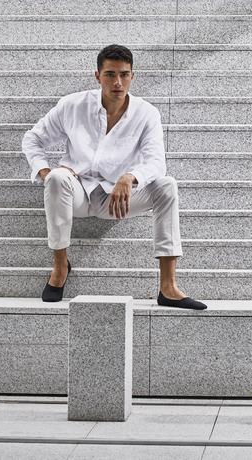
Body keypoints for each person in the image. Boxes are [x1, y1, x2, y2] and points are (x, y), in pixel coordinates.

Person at [22, 44, 206, 309]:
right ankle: (60, 267)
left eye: (124, 74)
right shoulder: (72, 105)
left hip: (120, 199)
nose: (117, 82)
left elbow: (156, 162)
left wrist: (129, 177)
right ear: (97, 76)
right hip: (78, 195)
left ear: (133, 76)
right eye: (110, 74)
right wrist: (44, 171)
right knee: (57, 178)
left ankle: (168, 286)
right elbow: (33, 138)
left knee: (167, 185)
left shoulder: (146, 114)